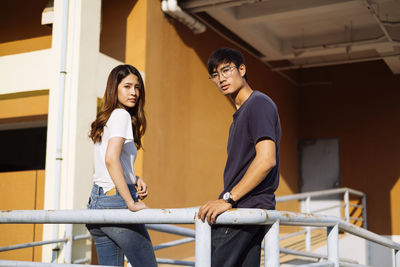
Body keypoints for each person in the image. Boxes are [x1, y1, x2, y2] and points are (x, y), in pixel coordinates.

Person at [198, 48, 281, 267]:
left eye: (226, 70)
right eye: (215, 75)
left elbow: (266, 159)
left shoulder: (258, 104)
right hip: (245, 209)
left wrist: (228, 199)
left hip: (245, 208)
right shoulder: (241, 114)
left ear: (242, 69)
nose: (221, 78)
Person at [86, 64, 157, 266]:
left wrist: (134, 178)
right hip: (115, 202)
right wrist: (130, 202)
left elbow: (106, 161)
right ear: (114, 88)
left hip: (96, 203)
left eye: (137, 87)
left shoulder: (107, 117)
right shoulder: (121, 115)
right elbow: (111, 158)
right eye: (127, 86)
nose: (134, 92)